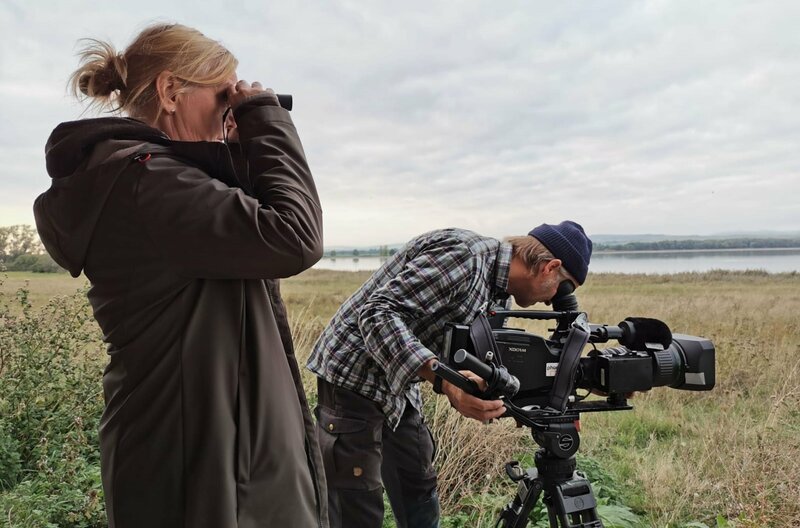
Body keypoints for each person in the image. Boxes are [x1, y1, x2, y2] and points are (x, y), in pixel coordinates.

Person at [34, 23, 327, 528]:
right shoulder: (148, 182)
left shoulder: (154, 180)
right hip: (199, 465)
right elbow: (294, 236)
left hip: (200, 452)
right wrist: (265, 119)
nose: (230, 110)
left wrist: (240, 146)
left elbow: (241, 229)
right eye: (224, 95)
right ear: (171, 91)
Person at [307, 221, 593, 527]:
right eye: (563, 290)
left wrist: (592, 376)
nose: (552, 301)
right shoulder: (466, 258)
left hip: (399, 384)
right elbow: (378, 314)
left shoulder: (498, 294)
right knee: (357, 501)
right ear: (549, 267)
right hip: (354, 373)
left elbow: (476, 359)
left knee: (417, 484)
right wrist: (445, 382)